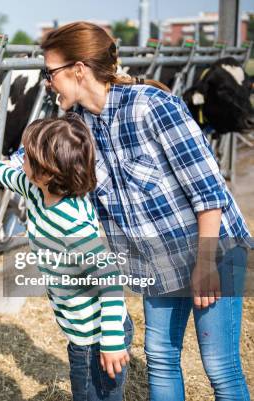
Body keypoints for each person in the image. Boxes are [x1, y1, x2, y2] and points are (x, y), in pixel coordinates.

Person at [22, 22, 249, 401]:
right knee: (160, 358)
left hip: (214, 248)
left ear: (78, 69)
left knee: (219, 367)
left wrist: (205, 263)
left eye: (51, 72)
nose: (48, 82)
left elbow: (209, 191)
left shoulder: (151, 106)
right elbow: (23, 163)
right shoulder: (77, 126)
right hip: (158, 260)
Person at [0, 114, 134, 401]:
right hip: (81, 331)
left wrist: (113, 340)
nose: (20, 160)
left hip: (99, 336)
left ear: (47, 171)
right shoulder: (34, 188)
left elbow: (110, 278)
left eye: (28, 156)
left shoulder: (73, 224)